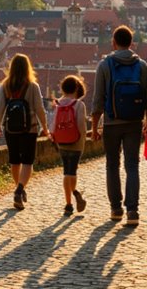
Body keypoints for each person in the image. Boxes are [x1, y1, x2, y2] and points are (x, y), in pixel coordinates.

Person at [91, 25, 147, 227]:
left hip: (111, 122)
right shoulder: (142, 65)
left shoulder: (105, 65)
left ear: (114, 42)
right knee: (132, 166)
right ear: (132, 43)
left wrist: (94, 126)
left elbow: (97, 100)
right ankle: (133, 211)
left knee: (112, 165)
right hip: (134, 122)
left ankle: (116, 208)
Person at [0, 53, 49, 210]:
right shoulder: (33, 86)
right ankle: (19, 190)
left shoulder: (5, 86)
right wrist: (45, 127)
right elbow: (40, 109)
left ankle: (18, 188)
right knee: (27, 161)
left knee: (15, 161)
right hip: (29, 128)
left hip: (10, 129)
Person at [50, 74, 88, 216]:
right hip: (76, 142)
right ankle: (75, 193)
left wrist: (53, 137)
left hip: (61, 142)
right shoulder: (79, 105)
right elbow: (81, 126)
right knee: (73, 171)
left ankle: (68, 204)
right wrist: (83, 140)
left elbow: (53, 124)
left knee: (66, 171)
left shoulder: (58, 104)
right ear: (77, 89)